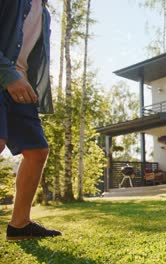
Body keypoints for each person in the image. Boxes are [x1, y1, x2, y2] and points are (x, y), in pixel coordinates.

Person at [0, 0, 61, 240]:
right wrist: (8, 74)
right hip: (5, 76)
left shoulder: (43, 12)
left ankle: (19, 225)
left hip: (21, 86)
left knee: (37, 151)